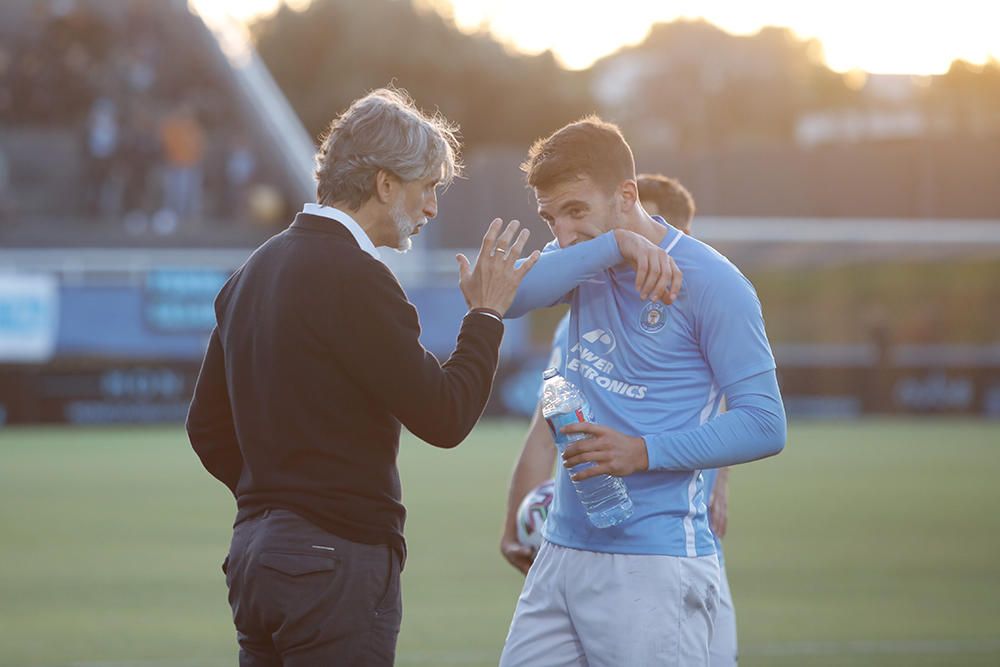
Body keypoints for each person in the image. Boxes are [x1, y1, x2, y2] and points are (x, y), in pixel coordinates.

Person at [186, 87, 545, 666]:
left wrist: (275, 506)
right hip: (330, 561)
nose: (431, 209)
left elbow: (205, 428)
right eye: (426, 188)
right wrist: (485, 316)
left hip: (255, 557)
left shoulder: (251, 271)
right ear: (384, 184)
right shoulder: (357, 277)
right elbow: (445, 416)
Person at [498, 118, 786, 667]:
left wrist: (643, 450)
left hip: (654, 564)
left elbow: (765, 423)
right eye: (550, 217)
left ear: (626, 195)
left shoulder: (715, 283)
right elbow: (502, 297)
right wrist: (614, 244)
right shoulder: (586, 264)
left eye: (576, 211)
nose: (561, 234)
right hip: (561, 551)